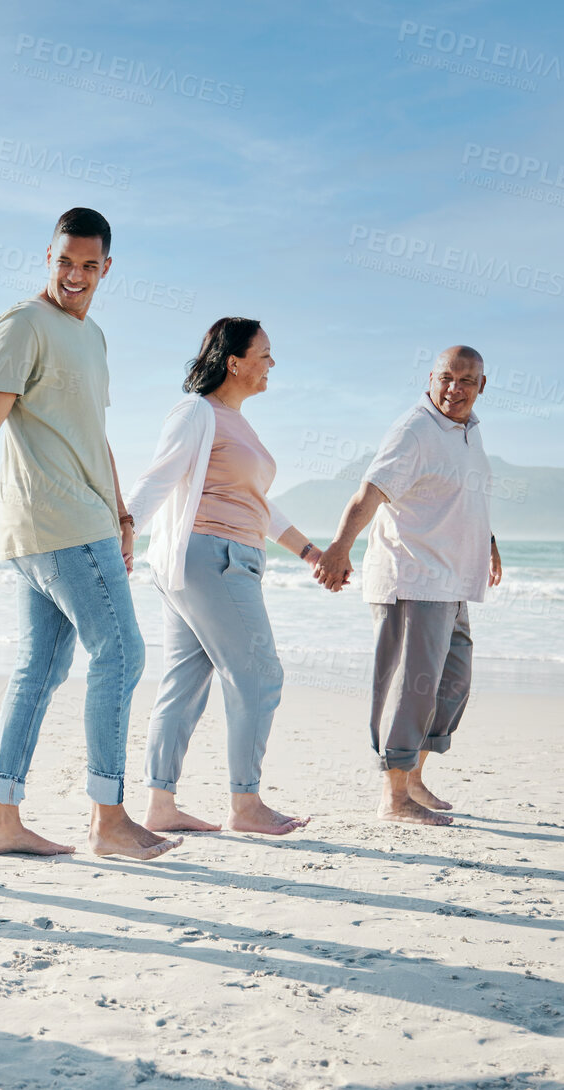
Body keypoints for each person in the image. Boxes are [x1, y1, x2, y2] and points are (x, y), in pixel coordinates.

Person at [0, 207, 179, 861]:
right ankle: (109, 819)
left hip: (83, 521)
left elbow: (92, 437)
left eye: (89, 266)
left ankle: (1, 820)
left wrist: (124, 516)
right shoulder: (21, 325)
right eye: (64, 262)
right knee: (122, 653)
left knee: (39, 670)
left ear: (106, 268)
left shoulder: (93, 339)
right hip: (57, 521)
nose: (75, 276)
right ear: (48, 256)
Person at [125, 318, 322, 835]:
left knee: (185, 682)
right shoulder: (197, 411)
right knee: (259, 674)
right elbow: (159, 477)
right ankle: (246, 805)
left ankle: (161, 805)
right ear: (234, 362)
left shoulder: (236, 424)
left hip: (216, 559)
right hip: (214, 558)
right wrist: (121, 535)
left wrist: (307, 550)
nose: (272, 364)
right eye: (265, 354)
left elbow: (256, 502)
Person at [314, 345, 503, 825]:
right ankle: (393, 796)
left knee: (452, 684)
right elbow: (371, 491)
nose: (454, 389)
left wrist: (489, 543)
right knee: (411, 689)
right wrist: (340, 547)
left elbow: (464, 494)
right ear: (431, 377)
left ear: (483, 386)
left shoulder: (469, 431)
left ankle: (414, 780)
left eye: (466, 380)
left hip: (453, 580)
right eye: (446, 377)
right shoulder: (415, 429)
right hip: (413, 578)